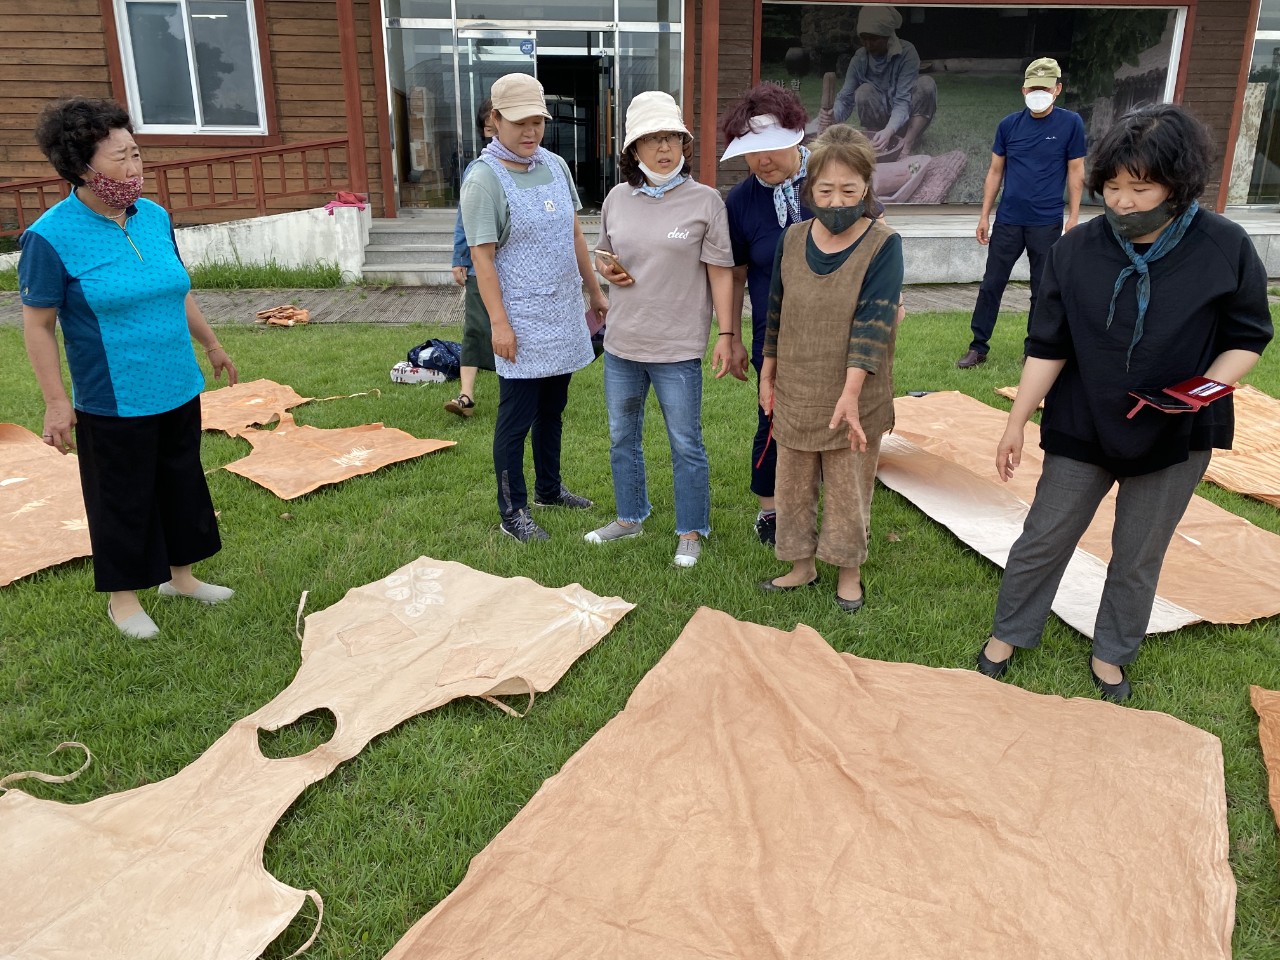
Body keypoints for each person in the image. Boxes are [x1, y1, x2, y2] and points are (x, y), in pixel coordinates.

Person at [976, 104, 1272, 702]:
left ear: (1178, 184)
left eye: (1140, 188)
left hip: (1175, 430)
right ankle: (1008, 635)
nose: (1122, 202)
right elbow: (1048, 343)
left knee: (1138, 553)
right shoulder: (1076, 250)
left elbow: (1248, 337)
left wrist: (1196, 395)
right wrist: (1015, 420)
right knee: (1044, 535)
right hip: (1085, 417)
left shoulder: (1224, 246)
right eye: (1111, 187)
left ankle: (1112, 653)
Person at [19, 97, 239, 640]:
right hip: (113, 396)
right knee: (122, 495)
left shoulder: (154, 216)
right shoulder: (50, 238)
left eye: (137, 153)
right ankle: (124, 600)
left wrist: (211, 345)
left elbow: (175, 289)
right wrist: (55, 402)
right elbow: (38, 325)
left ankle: (180, 578)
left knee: (181, 481)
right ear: (81, 167)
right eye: (120, 158)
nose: (135, 167)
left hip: (176, 382)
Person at [585, 92, 744, 568]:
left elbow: (720, 271)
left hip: (677, 347)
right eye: (652, 139)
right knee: (621, 436)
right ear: (633, 150)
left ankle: (691, 529)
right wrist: (606, 272)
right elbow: (602, 255)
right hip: (623, 344)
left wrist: (727, 334)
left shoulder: (705, 201)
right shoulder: (617, 198)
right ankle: (630, 518)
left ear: (684, 144)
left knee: (685, 442)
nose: (664, 148)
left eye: (671, 137)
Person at [757, 125, 903, 613]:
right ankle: (801, 564)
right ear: (808, 188)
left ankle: (848, 570)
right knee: (792, 481)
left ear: (866, 187)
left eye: (848, 189)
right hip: (798, 384)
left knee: (848, 484)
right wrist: (768, 372)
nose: (836, 199)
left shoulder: (884, 243)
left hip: (855, 391)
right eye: (825, 189)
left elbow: (874, 321)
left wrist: (851, 392)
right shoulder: (793, 238)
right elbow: (776, 309)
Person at [461, 73, 609, 542]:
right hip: (520, 320)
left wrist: (595, 290)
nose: (530, 132)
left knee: (554, 408)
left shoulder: (554, 165)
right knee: (516, 418)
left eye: (538, 123)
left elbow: (575, 232)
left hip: (562, 313)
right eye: (520, 122)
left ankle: (549, 488)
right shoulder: (483, 180)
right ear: (495, 120)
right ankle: (513, 511)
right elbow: (482, 259)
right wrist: (499, 325)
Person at [721, 84, 813, 546]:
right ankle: (771, 511)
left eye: (769, 149)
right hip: (772, 334)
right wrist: (732, 336)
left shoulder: (834, 180)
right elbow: (736, 274)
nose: (761, 161)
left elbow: (875, 246)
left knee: (829, 417)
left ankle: (827, 501)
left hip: (832, 334)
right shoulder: (740, 202)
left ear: (796, 136)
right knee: (772, 416)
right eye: (750, 153)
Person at [956, 58, 1086, 369]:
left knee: (1041, 289)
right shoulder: (1008, 125)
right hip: (1009, 219)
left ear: (1057, 89)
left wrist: (1074, 216)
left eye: (1046, 87)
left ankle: (1034, 350)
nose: (1039, 92)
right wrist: (984, 215)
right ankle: (978, 346)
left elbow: (1076, 170)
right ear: (1023, 89)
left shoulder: (1071, 124)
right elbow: (995, 171)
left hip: (1046, 221)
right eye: (1033, 87)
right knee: (991, 284)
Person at [445, 98, 497, 418]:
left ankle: (522, 395)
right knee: (476, 327)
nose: (494, 136)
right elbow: (464, 217)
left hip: (515, 266)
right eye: (489, 129)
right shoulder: (477, 171)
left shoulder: (535, 168)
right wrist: (459, 256)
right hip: (481, 263)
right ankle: (465, 395)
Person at [830, 5, 936, 156]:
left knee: (926, 84)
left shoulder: (907, 53)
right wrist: (832, 115)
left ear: (887, 35)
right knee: (863, 91)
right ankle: (875, 139)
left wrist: (889, 130)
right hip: (878, 122)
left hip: (905, 121)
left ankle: (907, 142)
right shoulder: (860, 58)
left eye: (873, 39)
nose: (867, 44)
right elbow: (845, 98)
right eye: (863, 38)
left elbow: (902, 101)